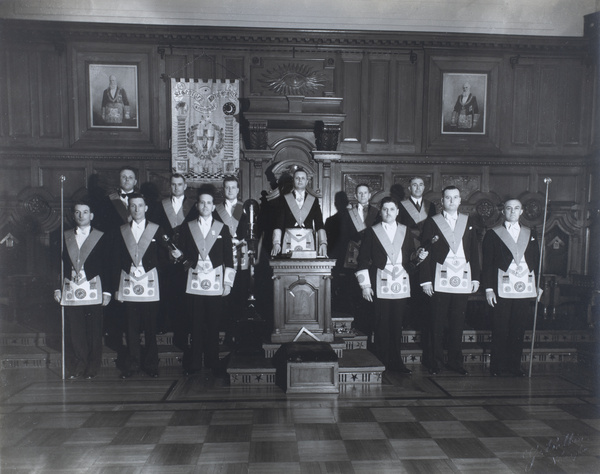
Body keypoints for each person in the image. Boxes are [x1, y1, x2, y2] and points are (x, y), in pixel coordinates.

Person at [355, 196, 423, 374]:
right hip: (379, 282)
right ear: (381, 212)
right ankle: (381, 360)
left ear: (397, 212)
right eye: (385, 209)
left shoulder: (405, 231)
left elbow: (410, 259)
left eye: (392, 209)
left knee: (397, 324)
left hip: (401, 282)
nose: (388, 213)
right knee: (381, 324)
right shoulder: (372, 231)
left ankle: (396, 362)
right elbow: (362, 260)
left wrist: (419, 258)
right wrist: (365, 286)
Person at [419, 186, 480, 375]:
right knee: (436, 322)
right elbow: (425, 253)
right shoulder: (431, 222)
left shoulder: (468, 222)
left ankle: (455, 362)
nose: (452, 201)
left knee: (457, 322)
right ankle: (434, 361)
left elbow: (474, 252)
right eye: (448, 198)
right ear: (442, 201)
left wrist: (476, 278)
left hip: (462, 277)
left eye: (455, 197)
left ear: (460, 201)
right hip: (439, 277)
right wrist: (425, 280)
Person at [111, 193, 170, 379]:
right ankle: (133, 365)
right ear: (129, 208)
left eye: (140, 205)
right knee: (131, 328)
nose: (136, 209)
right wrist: (116, 286)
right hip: (128, 282)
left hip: (150, 282)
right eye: (133, 206)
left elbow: (165, 257)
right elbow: (116, 259)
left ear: (146, 208)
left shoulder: (156, 229)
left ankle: (151, 365)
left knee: (151, 327)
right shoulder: (121, 230)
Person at [178, 191, 235, 375]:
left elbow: (229, 260)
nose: (205, 206)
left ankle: (212, 360)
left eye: (208, 203)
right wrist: (183, 261)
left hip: (215, 283)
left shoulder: (222, 228)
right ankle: (195, 361)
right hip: (194, 281)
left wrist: (228, 284)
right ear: (197, 206)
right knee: (195, 323)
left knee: (213, 323)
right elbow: (184, 257)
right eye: (202, 203)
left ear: (213, 206)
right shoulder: (188, 227)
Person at [54, 199, 111, 379]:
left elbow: (108, 265)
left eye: (85, 212)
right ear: (73, 215)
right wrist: (57, 288)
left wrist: (107, 291)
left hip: (94, 286)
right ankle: (80, 364)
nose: (81, 215)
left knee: (94, 329)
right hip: (71, 286)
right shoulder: (65, 236)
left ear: (91, 215)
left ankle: (92, 367)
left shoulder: (101, 236)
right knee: (75, 329)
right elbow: (58, 265)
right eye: (78, 212)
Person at [483, 199, 540, 377]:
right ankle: (497, 366)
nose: (513, 212)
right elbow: (487, 264)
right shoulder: (493, 234)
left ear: (521, 211)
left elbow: (537, 261)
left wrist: (539, 285)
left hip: (524, 286)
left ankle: (514, 365)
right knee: (500, 327)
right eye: (509, 208)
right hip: (502, 286)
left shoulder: (530, 233)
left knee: (518, 328)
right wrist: (488, 289)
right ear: (503, 212)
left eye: (516, 208)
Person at [150, 173, 198, 336]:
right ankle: (165, 325)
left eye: (179, 184)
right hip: (165, 255)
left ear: (185, 186)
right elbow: (156, 229)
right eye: (173, 184)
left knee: (185, 292)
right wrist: (168, 248)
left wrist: (183, 252)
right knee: (166, 291)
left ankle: (183, 327)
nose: (176, 187)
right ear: (169, 186)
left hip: (186, 255)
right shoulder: (160, 205)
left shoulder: (194, 206)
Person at [397, 176, 437, 358]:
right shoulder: (402, 205)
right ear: (409, 187)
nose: (418, 187)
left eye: (421, 185)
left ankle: (420, 322)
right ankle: (407, 321)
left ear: (424, 187)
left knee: (424, 286)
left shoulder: (431, 206)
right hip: (409, 249)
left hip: (427, 250)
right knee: (409, 284)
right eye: (414, 185)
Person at [337, 184, 380, 336]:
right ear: (355, 196)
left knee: (369, 292)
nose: (362, 196)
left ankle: (368, 327)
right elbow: (343, 235)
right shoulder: (348, 214)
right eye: (359, 193)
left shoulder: (378, 213)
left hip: (370, 257)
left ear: (370, 195)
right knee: (354, 291)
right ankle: (355, 326)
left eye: (365, 193)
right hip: (352, 256)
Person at [214, 176, 249, 339]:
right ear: (223, 189)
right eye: (227, 187)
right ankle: (225, 330)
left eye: (233, 187)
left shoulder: (245, 208)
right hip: (223, 256)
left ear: (238, 189)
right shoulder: (216, 209)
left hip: (241, 254)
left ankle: (238, 332)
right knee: (224, 291)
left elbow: (252, 231)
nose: (230, 190)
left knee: (240, 292)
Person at [271, 167, 327, 257]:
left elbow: (319, 223)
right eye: (297, 178)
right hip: (289, 239)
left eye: (303, 178)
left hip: (308, 240)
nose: (300, 180)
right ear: (293, 181)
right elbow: (279, 223)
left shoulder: (313, 200)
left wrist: (323, 243)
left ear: (307, 181)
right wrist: (276, 242)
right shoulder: (284, 199)